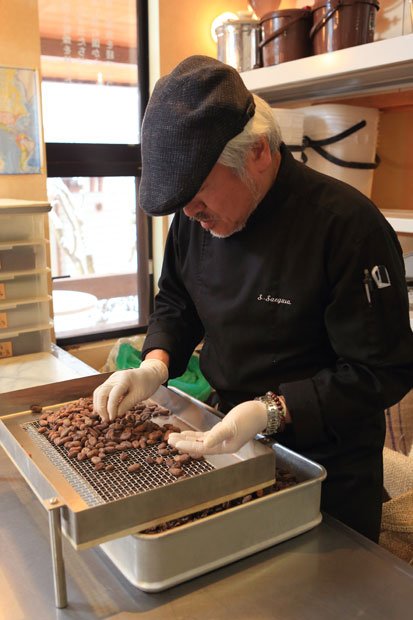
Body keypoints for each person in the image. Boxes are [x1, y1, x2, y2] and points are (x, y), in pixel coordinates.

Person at [93, 55, 413, 542]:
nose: (190, 213)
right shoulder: (193, 218)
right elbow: (177, 300)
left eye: (199, 194)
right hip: (225, 443)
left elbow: (382, 370)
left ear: (258, 152)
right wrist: (154, 366)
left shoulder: (347, 227)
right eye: (181, 203)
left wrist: (272, 411)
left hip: (327, 468)